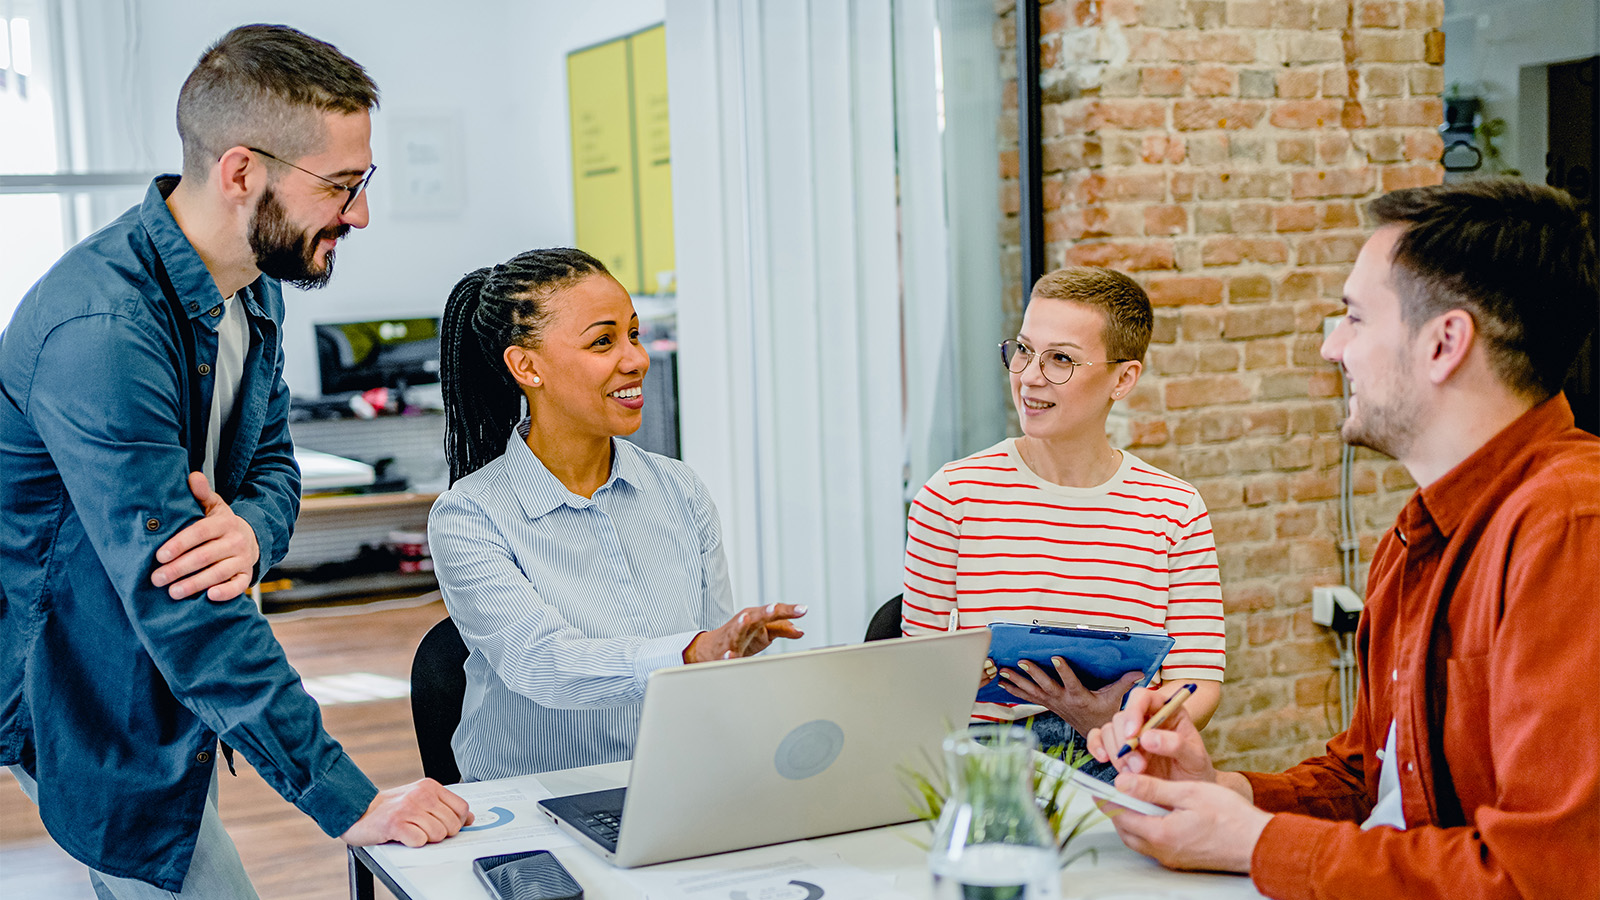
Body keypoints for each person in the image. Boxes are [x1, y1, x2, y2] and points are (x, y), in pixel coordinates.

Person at [0, 25, 470, 898]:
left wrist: (250, 532)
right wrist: (347, 801)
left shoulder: (250, 286)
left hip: (158, 659)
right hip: (78, 676)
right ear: (243, 171)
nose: (360, 213)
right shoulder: (100, 333)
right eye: (340, 185)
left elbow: (277, 471)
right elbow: (181, 601)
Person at [1086, 179, 1599, 900]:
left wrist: (1257, 845)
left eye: (1354, 317)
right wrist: (1226, 792)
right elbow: (1373, 780)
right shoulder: (1420, 534)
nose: (1333, 347)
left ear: (1444, 343)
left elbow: (1546, 880)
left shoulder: (1571, 529)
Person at [428, 248, 806, 781]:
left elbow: (717, 657)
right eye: (603, 341)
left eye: (633, 333)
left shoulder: (679, 490)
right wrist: (692, 653)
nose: (636, 359)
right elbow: (542, 664)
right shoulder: (470, 515)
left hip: (678, 786)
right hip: (537, 803)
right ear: (527, 366)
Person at [902, 266, 1225, 780]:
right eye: (1025, 350)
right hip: (985, 760)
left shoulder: (1175, 509)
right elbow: (915, 676)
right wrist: (963, 676)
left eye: (1061, 360)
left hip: (1120, 752)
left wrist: (1115, 721)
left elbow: (1197, 681)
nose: (1029, 375)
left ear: (1123, 379)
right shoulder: (952, 496)